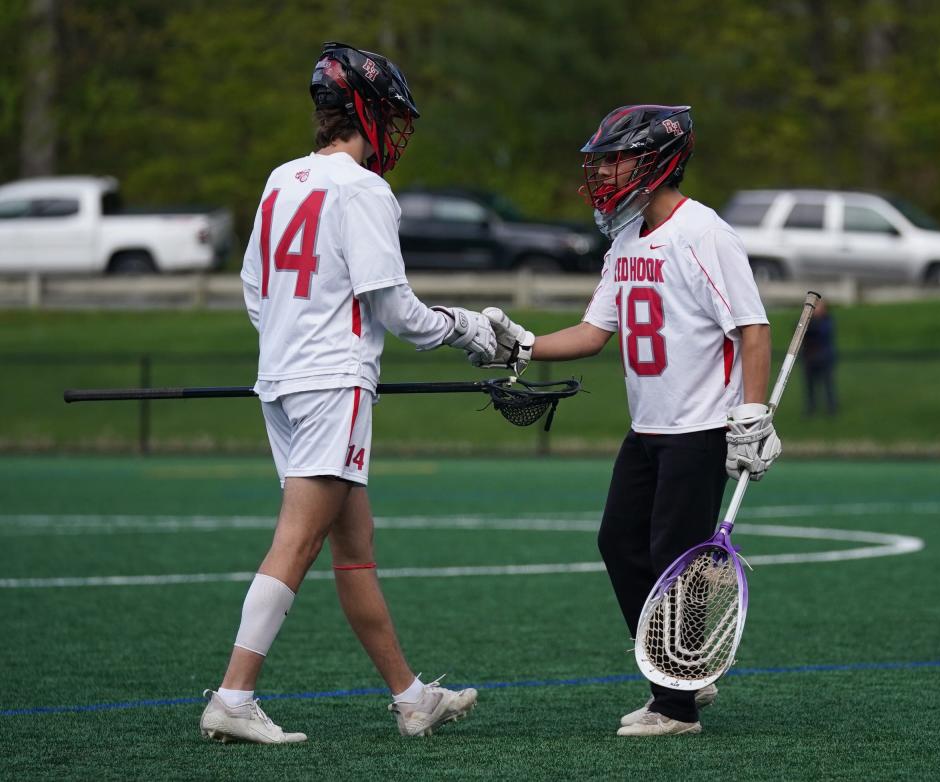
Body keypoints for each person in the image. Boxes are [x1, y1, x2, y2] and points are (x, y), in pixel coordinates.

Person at [199, 42, 494, 743]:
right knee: (297, 542)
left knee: (353, 547)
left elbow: (253, 286)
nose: (392, 130)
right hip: (334, 384)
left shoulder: (282, 178)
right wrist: (471, 329)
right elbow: (395, 308)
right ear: (364, 112)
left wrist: (288, 337)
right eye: (387, 115)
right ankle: (234, 697)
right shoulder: (363, 189)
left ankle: (411, 697)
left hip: (284, 379)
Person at [471, 105, 780, 736]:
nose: (606, 171)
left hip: (699, 427)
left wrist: (752, 411)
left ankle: (676, 705)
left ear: (657, 161)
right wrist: (522, 347)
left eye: (618, 158)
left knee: (674, 555)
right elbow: (593, 332)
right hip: (648, 429)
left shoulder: (705, 234)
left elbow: (751, 326)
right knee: (619, 543)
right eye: (604, 160)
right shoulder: (626, 237)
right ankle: (683, 667)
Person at [801, 299, 838, 416]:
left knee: (828, 384)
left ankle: (831, 408)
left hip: (824, 357)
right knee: (810, 386)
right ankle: (811, 409)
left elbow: (821, 333)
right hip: (809, 357)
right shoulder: (807, 321)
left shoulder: (827, 321)